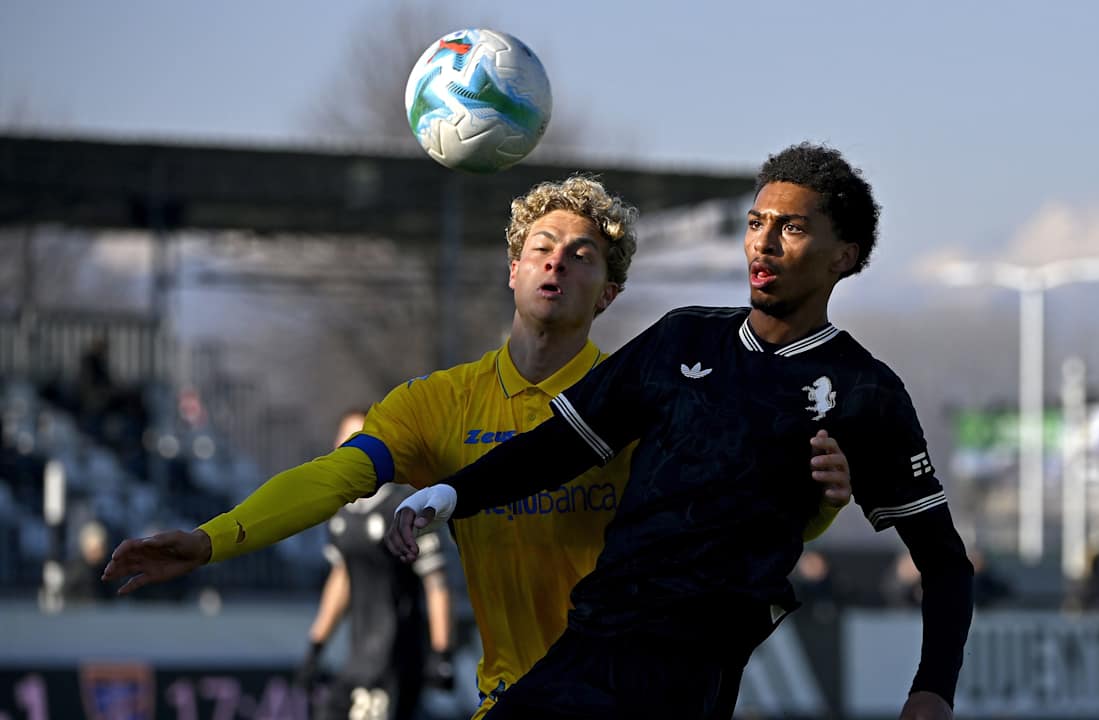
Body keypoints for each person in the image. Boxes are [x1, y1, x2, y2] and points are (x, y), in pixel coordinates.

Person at [101, 175, 853, 719]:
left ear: (609, 294)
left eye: (583, 255)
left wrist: (819, 504)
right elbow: (335, 478)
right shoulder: (437, 405)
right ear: (513, 269)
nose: (557, 262)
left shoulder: (654, 401)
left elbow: (738, 526)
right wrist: (212, 540)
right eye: (542, 247)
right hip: (512, 695)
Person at [389, 143, 976, 720]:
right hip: (591, 641)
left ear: (843, 256)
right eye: (756, 222)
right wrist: (449, 494)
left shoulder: (864, 391)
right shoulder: (681, 339)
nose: (764, 242)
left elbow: (944, 562)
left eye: (792, 228)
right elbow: (557, 447)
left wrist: (933, 688)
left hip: (690, 669)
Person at [296, 410, 454, 720]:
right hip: (357, 658)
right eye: (346, 439)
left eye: (361, 438)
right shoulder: (341, 512)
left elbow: (436, 582)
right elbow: (341, 577)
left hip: (394, 659)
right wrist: (316, 646)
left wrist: (442, 652)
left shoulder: (403, 506)